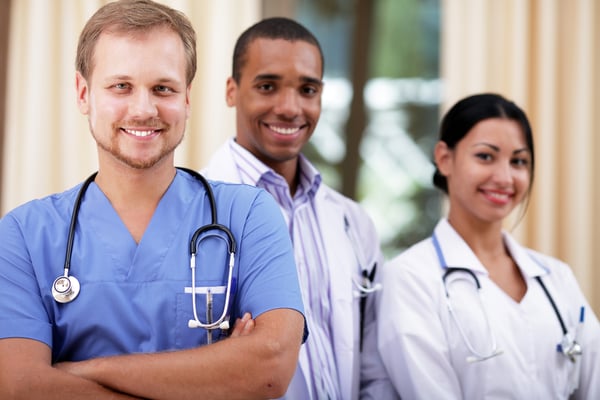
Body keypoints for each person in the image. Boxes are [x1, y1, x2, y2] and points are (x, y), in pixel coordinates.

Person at [0, 1, 307, 399]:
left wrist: (76, 372)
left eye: (163, 88)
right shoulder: (24, 235)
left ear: (187, 98)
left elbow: (268, 369)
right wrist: (218, 370)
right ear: (83, 93)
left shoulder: (248, 216)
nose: (143, 109)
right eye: (120, 86)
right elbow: (20, 385)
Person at [202, 17, 396, 400]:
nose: (290, 108)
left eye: (307, 89)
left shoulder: (351, 221)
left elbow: (376, 366)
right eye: (268, 86)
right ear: (231, 90)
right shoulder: (194, 213)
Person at [374, 93, 600, 399]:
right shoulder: (410, 279)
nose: (505, 177)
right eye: (485, 156)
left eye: (518, 161)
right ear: (444, 158)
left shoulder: (556, 278)